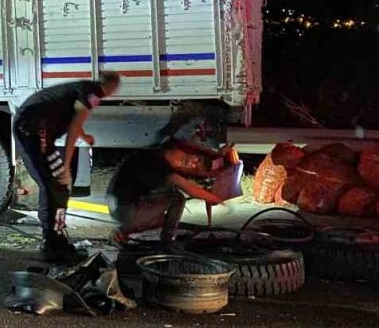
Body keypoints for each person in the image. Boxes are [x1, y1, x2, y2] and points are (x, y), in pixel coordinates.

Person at [12, 72, 121, 263]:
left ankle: (57, 237)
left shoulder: (86, 90)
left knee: (60, 187)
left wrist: (85, 137)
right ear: (111, 86)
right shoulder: (91, 94)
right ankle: (50, 243)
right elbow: (72, 131)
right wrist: (67, 169)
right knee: (52, 184)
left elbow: (74, 120)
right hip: (32, 128)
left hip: (39, 129)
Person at [108, 116, 236, 246]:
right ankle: (168, 240)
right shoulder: (164, 167)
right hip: (125, 210)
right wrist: (218, 200)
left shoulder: (159, 151)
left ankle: (122, 232)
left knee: (161, 219)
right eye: (195, 160)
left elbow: (191, 153)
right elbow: (192, 190)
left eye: (194, 166)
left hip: (120, 207)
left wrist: (217, 155)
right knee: (177, 198)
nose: (192, 163)